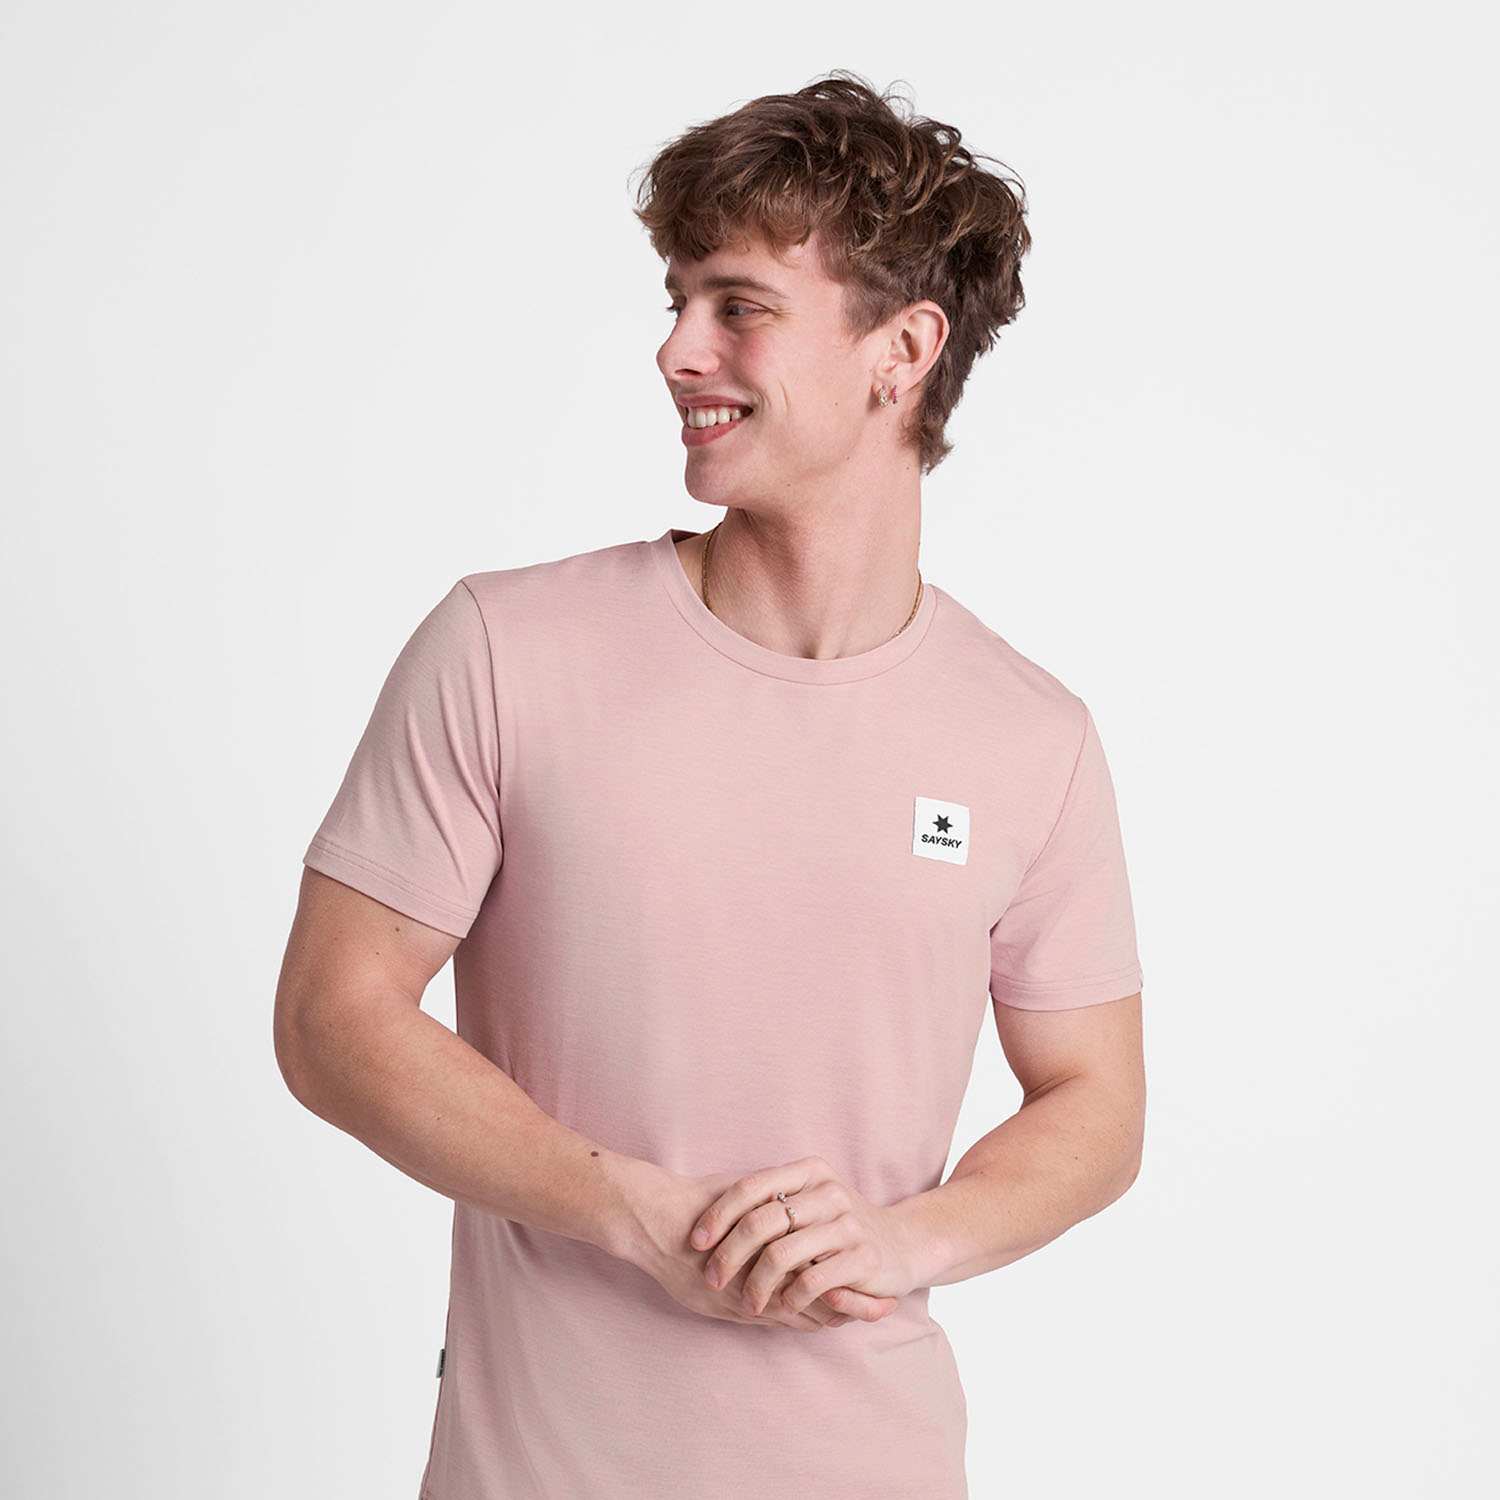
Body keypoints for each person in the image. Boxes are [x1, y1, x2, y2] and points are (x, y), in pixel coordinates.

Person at [274, 71, 1145, 1500]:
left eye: (739, 306)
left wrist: (904, 1239)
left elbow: (1096, 1101)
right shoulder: (506, 649)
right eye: (678, 301)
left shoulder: (1028, 737)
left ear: (903, 349)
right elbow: (332, 1018)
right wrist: (628, 1210)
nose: (679, 350)